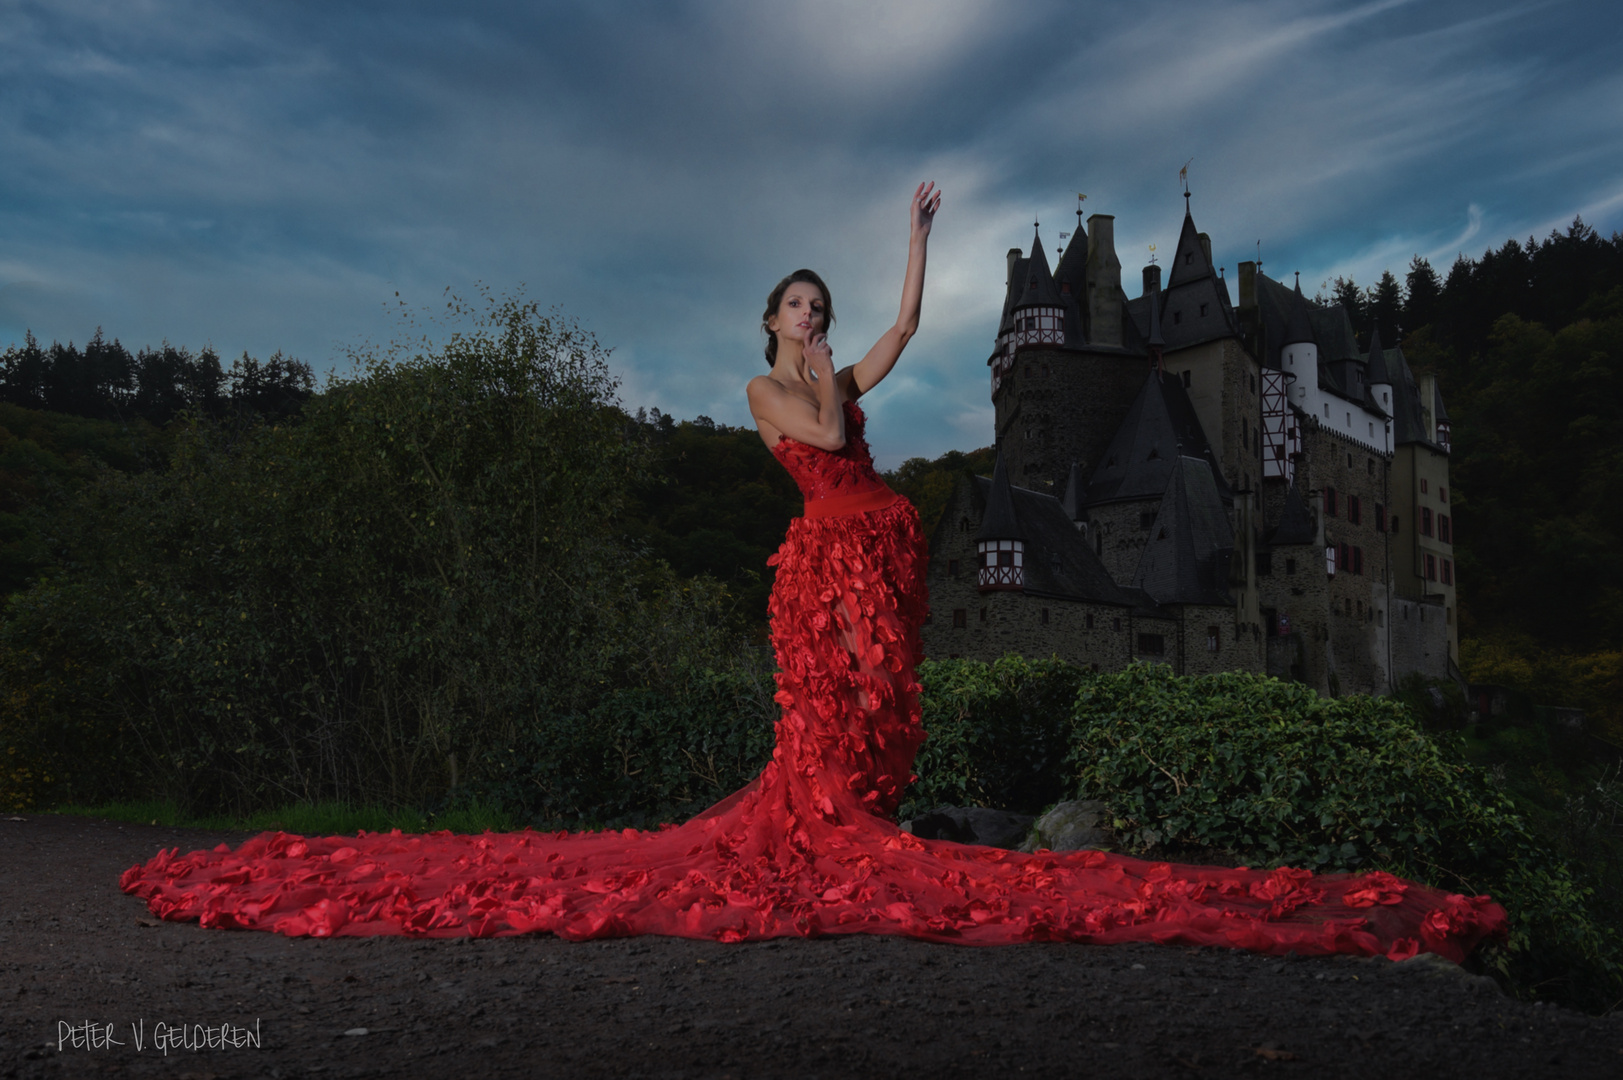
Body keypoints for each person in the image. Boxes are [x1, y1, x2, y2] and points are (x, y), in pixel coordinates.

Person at [122, 184, 1506, 964]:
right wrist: (821, 377)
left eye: (817, 308)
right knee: (822, 726)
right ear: (769, 323)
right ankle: (827, 827)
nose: (816, 320)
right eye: (800, 308)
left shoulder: (843, 357)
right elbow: (831, 431)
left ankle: (856, 816)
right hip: (822, 554)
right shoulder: (764, 392)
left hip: (884, 544)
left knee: (880, 701)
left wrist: (912, 242)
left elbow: (905, 332)